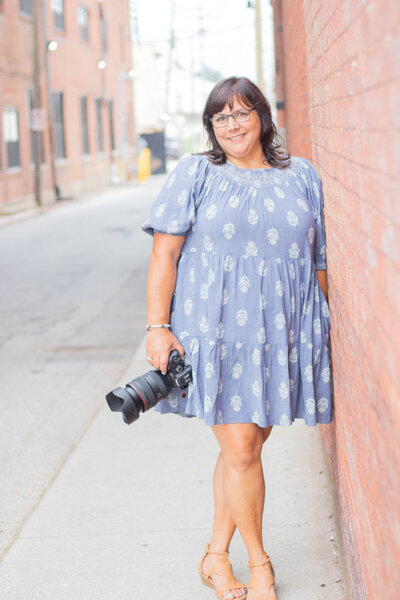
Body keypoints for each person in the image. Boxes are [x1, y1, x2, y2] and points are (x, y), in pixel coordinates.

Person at [141, 76, 334, 600]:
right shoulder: (195, 173)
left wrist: (324, 331)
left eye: (242, 113)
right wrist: (159, 329)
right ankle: (259, 562)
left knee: (245, 449)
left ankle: (214, 554)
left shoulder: (303, 176)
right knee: (243, 446)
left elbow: (317, 262)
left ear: (263, 117)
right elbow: (165, 255)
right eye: (220, 117)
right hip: (215, 333)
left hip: (283, 333)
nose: (231, 125)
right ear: (210, 127)